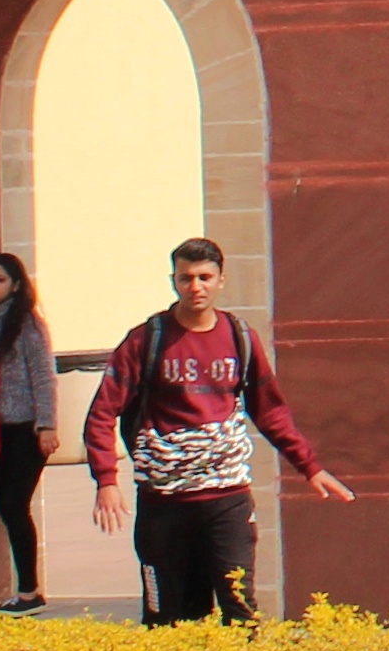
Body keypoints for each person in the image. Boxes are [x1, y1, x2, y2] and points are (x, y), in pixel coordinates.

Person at [84, 235, 350, 625]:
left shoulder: (240, 338)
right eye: (186, 278)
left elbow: (270, 411)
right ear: (173, 281)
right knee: (167, 618)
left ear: (221, 280)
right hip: (164, 504)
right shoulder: (146, 340)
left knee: (239, 608)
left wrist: (309, 466)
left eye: (205, 277)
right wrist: (106, 480)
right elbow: (101, 413)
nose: (196, 287)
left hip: (226, 500)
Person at [0, 250, 65, 617]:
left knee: (14, 505)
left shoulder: (27, 325)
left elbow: (43, 376)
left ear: (16, 285)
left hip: (27, 429)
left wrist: (47, 424)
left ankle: (29, 591)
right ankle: (26, 591)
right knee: (6, 505)